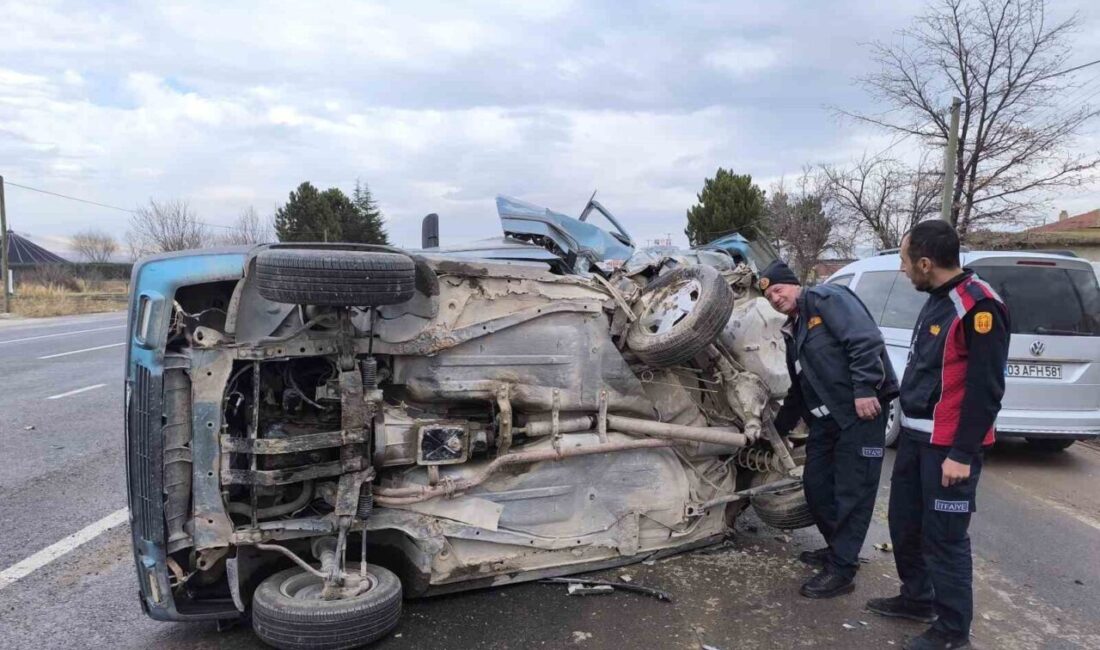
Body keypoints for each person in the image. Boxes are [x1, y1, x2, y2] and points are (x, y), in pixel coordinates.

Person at [865, 221, 1009, 650]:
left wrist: (962, 453)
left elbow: (986, 390)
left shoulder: (979, 306)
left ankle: (952, 632)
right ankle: (917, 599)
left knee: (944, 539)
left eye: (906, 261)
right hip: (914, 437)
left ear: (926, 263)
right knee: (904, 525)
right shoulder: (937, 298)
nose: (903, 269)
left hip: (949, 448)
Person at [762, 259, 898, 599]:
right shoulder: (793, 329)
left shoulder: (828, 299)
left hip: (860, 416)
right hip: (826, 420)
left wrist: (866, 388)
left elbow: (865, 340)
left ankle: (842, 570)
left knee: (853, 491)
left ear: (793, 283)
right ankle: (839, 548)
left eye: (778, 290)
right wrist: (776, 431)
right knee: (816, 485)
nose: (775, 299)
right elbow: (799, 389)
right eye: (770, 298)